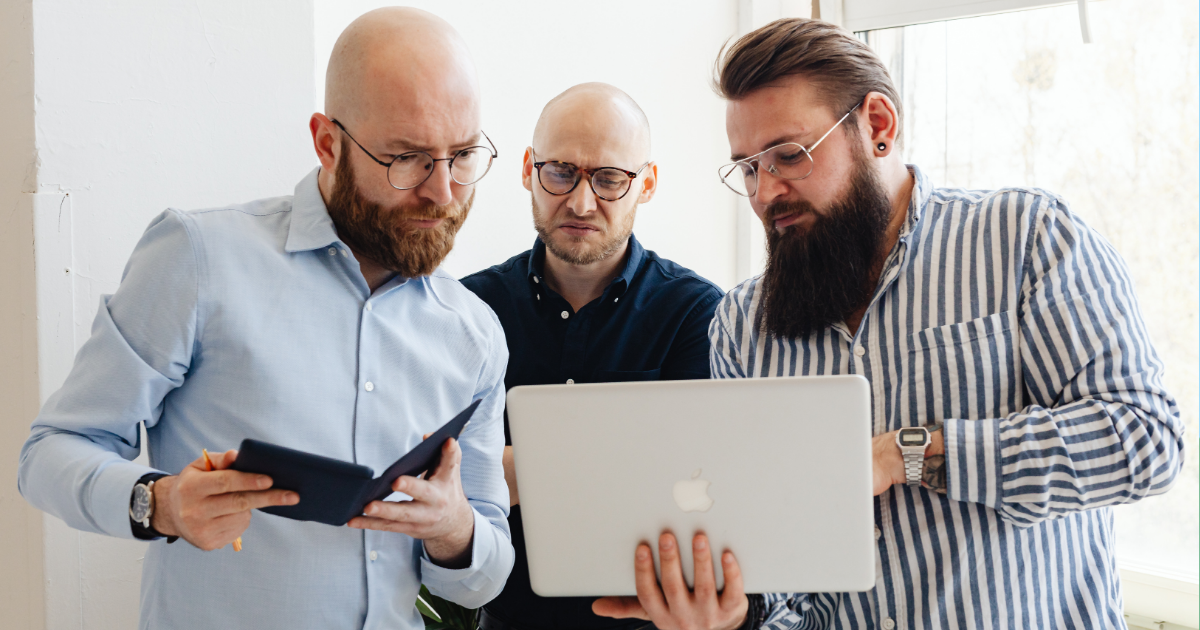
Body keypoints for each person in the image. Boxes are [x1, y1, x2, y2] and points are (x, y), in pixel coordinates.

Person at [17, 8, 513, 629]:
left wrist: (454, 527)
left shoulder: (475, 333)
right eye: (407, 158)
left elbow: (484, 574)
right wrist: (160, 503)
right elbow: (51, 452)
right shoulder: (197, 258)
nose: (442, 191)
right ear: (328, 144)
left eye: (463, 155)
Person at [691, 18, 1184, 629]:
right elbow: (782, 574)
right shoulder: (739, 327)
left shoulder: (1027, 240)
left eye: (789, 156)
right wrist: (739, 614)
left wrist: (910, 454)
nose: (765, 193)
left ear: (877, 126)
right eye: (747, 169)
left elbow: (1145, 440)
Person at [460, 82, 734, 630]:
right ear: (526, 170)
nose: (581, 202)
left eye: (610, 179)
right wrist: (619, 465)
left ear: (647, 185)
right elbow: (438, 474)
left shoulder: (698, 312)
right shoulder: (467, 309)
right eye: (560, 171)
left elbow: (704, 481)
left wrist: (506, 469)